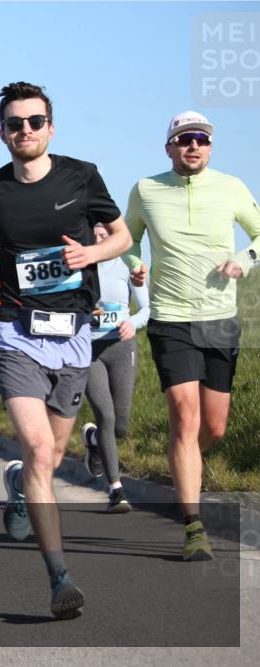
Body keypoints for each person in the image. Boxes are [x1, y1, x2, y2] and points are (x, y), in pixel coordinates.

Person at [0, 82, 132, 619]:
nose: (26, 131)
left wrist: (91, 254)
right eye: (15, 124)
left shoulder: (81, 176)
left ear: (50, 128)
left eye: (35, 122)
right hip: (16, 332)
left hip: (75, 334)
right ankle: (59, 577)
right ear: (2, 133)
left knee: (52, 457)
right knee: (40, 450)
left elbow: (123, 237)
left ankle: (18, 483)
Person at [123, 111, 260, 560]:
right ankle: (194, 528)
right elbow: (128, 237)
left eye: (201, 138)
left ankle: (185, 463)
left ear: (210, 147)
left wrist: (244, 260)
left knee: (213, 428)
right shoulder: (146, 189)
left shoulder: (231, 187)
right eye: (184, 139)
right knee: (185, 418)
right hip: (171, 319)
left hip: (220, 319)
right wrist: (135, 266)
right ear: (169, 148)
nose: (194, 145)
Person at [79, 223, 150, 513]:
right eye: (93, 236)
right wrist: (85, 314)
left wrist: (132, 323)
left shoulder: (127, 265)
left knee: (120, 426)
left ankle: (93, 439)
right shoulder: (81, 266)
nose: (98, 240)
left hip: (121, 347)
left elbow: (147, 309)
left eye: (104, 235)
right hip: (89, 349)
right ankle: (116, 490)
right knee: (105, 416)